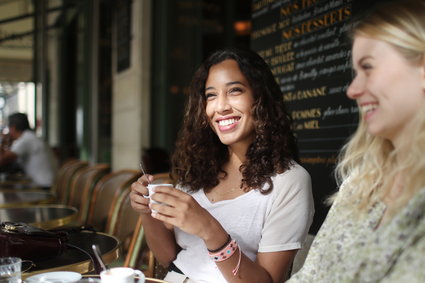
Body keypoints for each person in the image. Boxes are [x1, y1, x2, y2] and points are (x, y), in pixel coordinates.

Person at [130, 48, 314, 283]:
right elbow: (169, 258)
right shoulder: (199, 168)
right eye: (211, 95)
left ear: (260, 97)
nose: (220, 107)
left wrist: (210, 230)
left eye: (234, 91)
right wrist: (147, 211)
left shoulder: (289, 180)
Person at [288, 0, 425, 282]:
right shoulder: (362, 180)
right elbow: (310, 276)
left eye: (368, 67)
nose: (352, 90)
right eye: (355, 72)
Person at [0, 113, 58, 188]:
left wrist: (2, 141)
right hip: (47, 184)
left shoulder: (26, 140)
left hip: (44, 187)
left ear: (13, 128)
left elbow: (2, 160)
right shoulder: (30, 137)